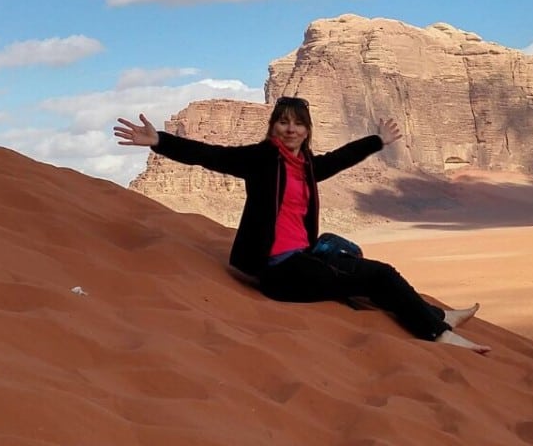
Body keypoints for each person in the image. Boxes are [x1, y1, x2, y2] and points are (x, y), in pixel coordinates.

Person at [114, 96, 488, 353]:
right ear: (273, 127)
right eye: (283, 122)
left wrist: (377, 140)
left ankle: (438, 316)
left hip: (304, 259)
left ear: (307, 130)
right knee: (375, 277)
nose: (290, 129)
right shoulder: (261, 159)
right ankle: (438, 334)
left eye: (297, 123)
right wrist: (159, 141)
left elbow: (339, 159)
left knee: (369, 274)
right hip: (279, 271)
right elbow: (209, 155)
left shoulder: (306, 167)